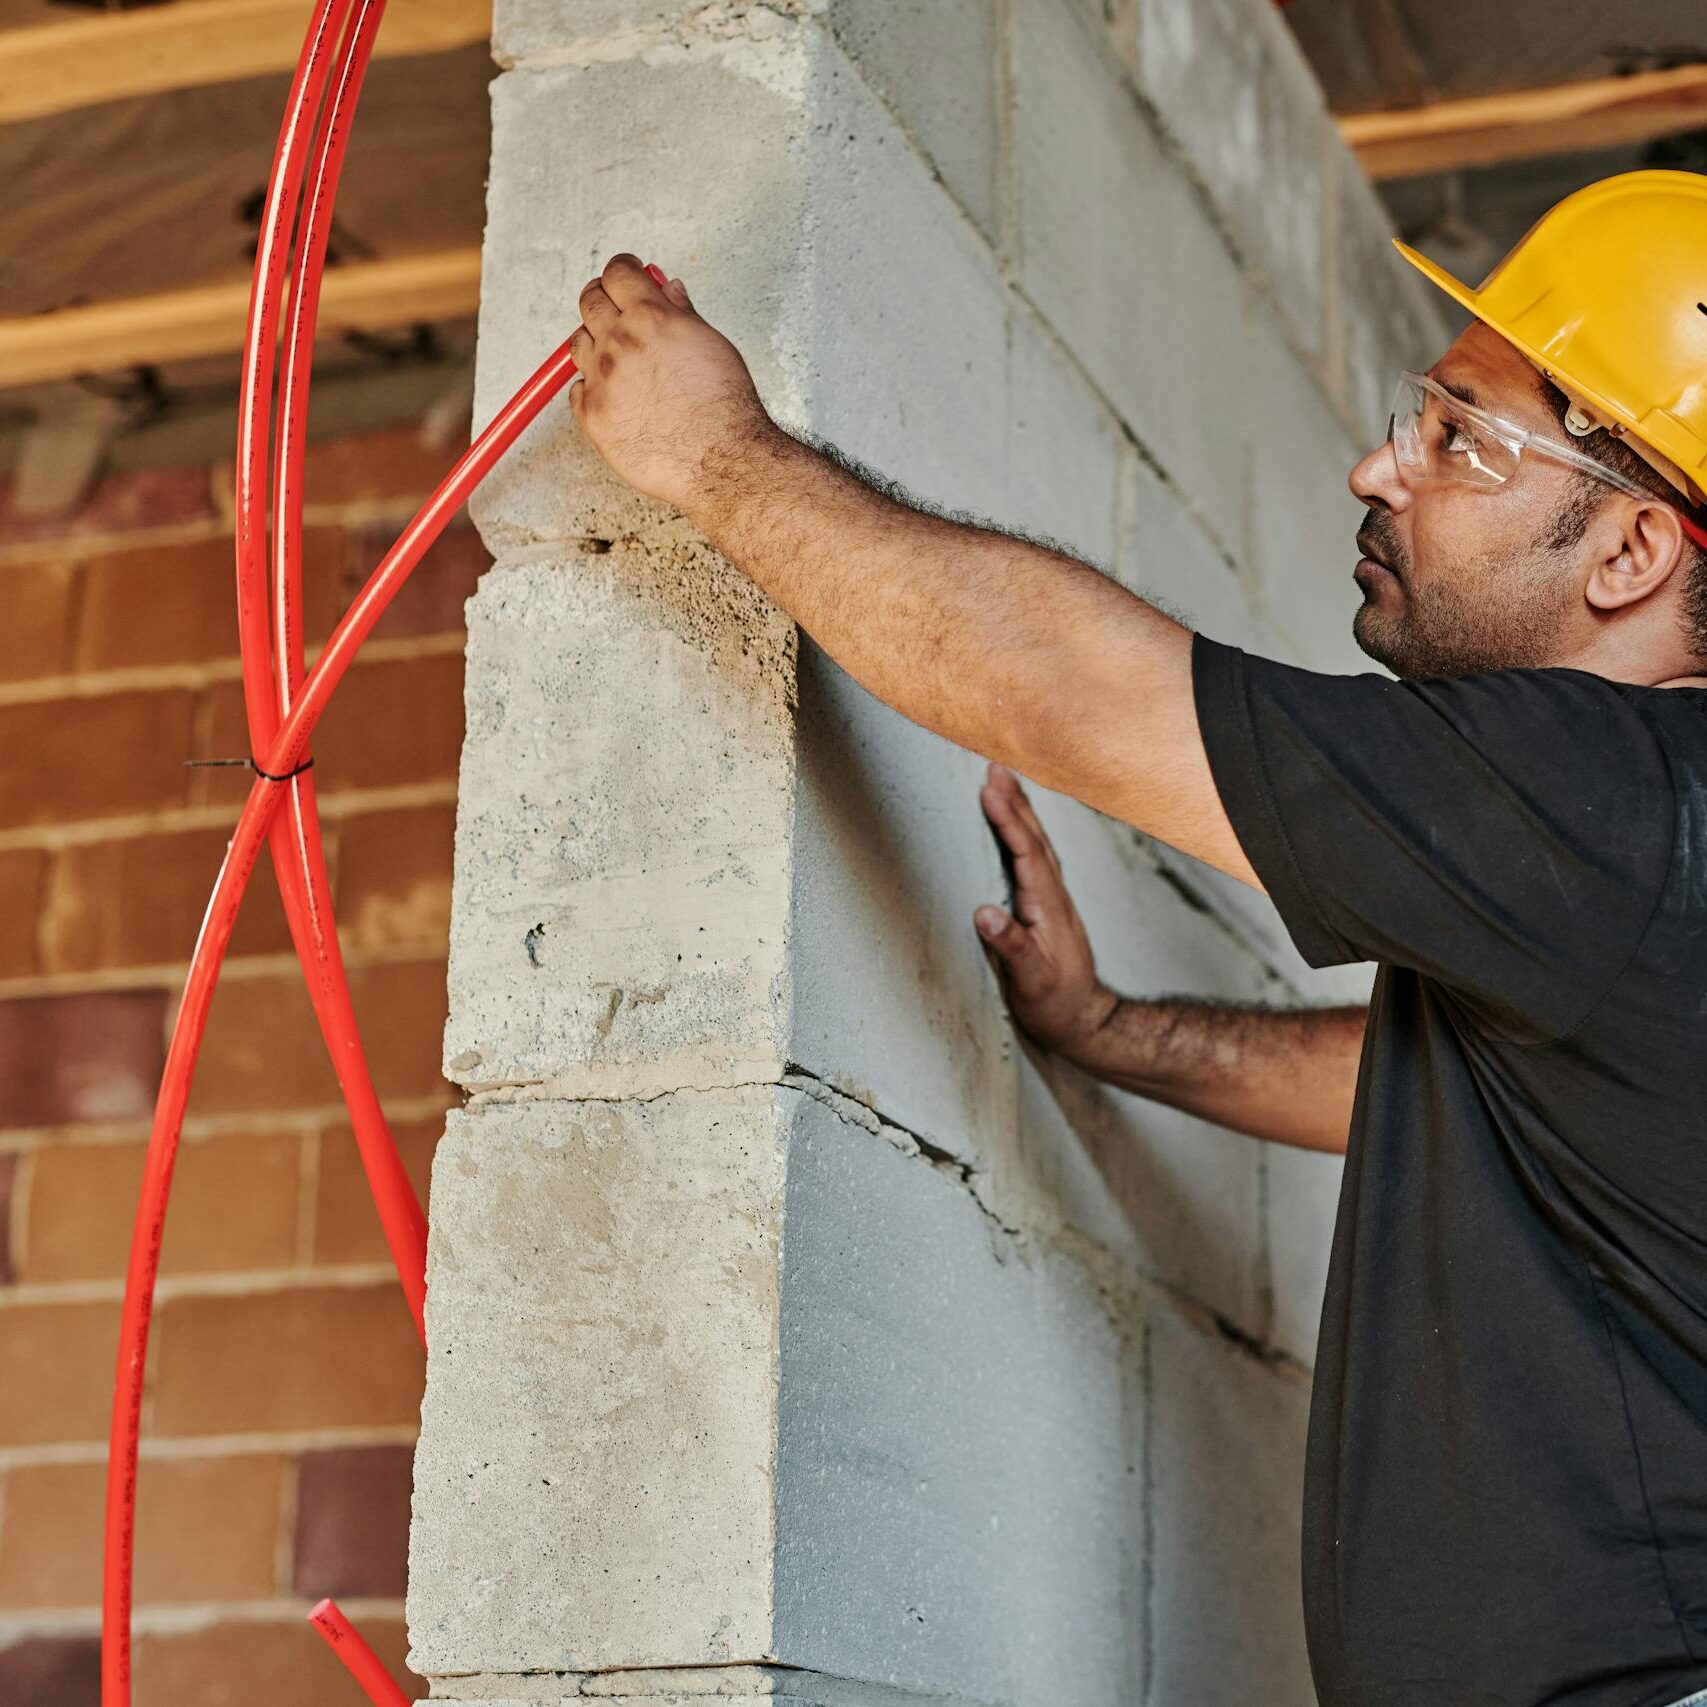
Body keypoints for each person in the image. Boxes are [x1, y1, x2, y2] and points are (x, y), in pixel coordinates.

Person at [562, 168, 1707, 1706]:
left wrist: (717, 456)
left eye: (1457, 437)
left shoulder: (1613, 797)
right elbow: (1437, 1086)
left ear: (1631, 554)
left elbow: (1087, 699)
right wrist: (1113, 1032)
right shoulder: (1631, 878)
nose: (1381, 468)